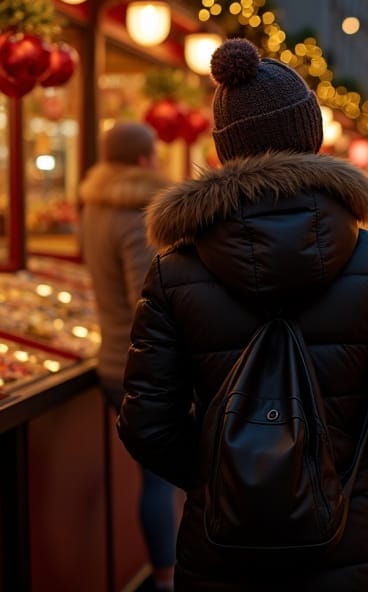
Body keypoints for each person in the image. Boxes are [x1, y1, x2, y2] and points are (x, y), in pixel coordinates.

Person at [117, 38, 368, 590]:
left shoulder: (173, 271)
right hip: (349, 541)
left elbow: (147, 423)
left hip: (223, 548)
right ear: (311, 137)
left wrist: (226, 477)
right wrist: (345, 474)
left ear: (224, 147)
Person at [79, 121, 177, 592]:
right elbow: (149, 299)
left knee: (156, 476)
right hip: (146, 367)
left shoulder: (94, 208)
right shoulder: (137, 211)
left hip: (111, 362)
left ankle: (166, 572)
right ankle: (168, 576)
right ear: (143, 160)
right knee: (163, 480)